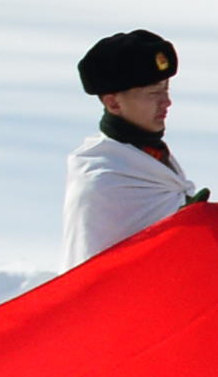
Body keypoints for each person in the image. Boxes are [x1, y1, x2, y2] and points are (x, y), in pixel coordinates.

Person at [64, 29, 207, 264]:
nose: (167, 102)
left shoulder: (152, 158)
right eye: (153, 93)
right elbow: (100, 272)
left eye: (166, 89)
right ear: (113, 103)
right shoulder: (104, 179)